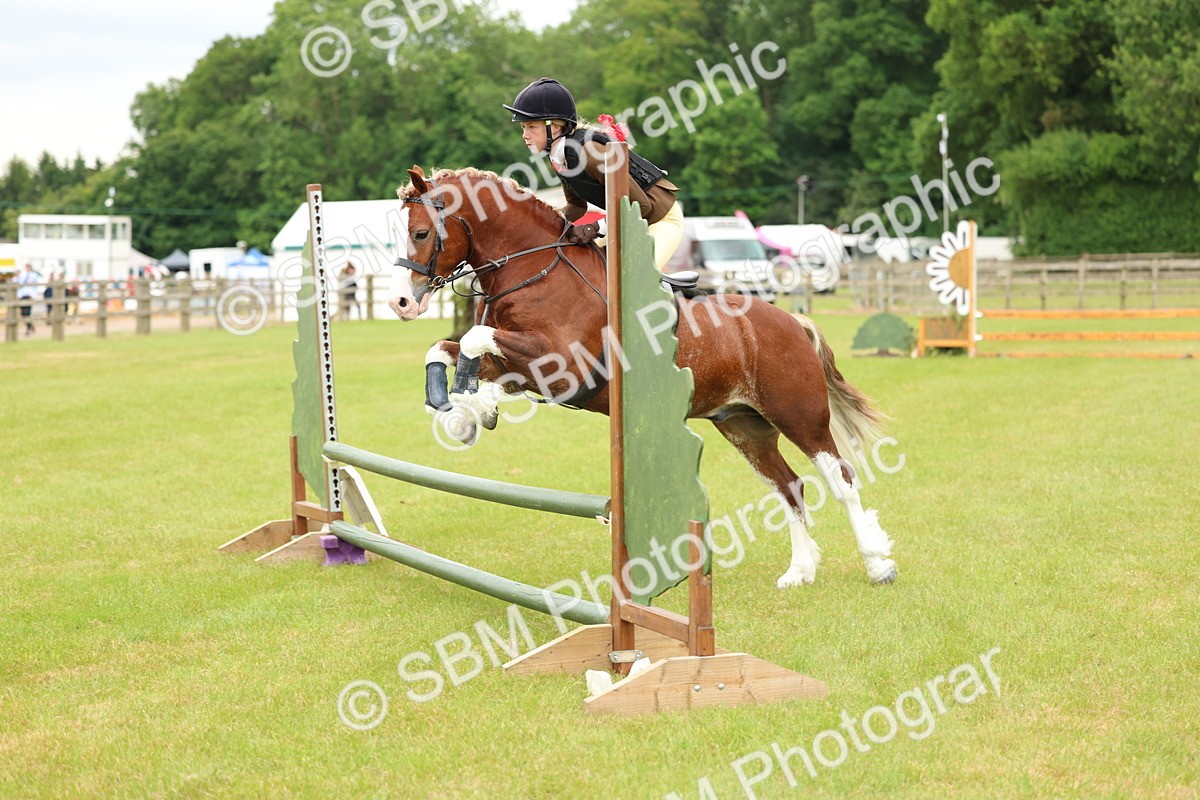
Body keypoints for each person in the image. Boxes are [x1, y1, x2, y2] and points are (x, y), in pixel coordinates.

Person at [503, 77, 695, 287]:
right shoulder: (559, 156)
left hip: (660, 220)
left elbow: (641, 206)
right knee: (585, 276)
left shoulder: (590, 154)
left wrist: (595, 228)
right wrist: (545, 221)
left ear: (555, 127)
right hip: (627, 222)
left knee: (632, 285)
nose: (525, 135)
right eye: (523, 127)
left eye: (531, 126)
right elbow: (577, 206)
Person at [14, 263, 42, 337]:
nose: (27, 268)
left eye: (28, 267)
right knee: (23, 313)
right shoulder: (22, 275)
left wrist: (34, 294)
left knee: (28, 312)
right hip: (22, 295)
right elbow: (16, 282)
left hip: (29, 295)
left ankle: (27, 329)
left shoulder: (34, 275)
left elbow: (37, 285)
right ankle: (30, 325)